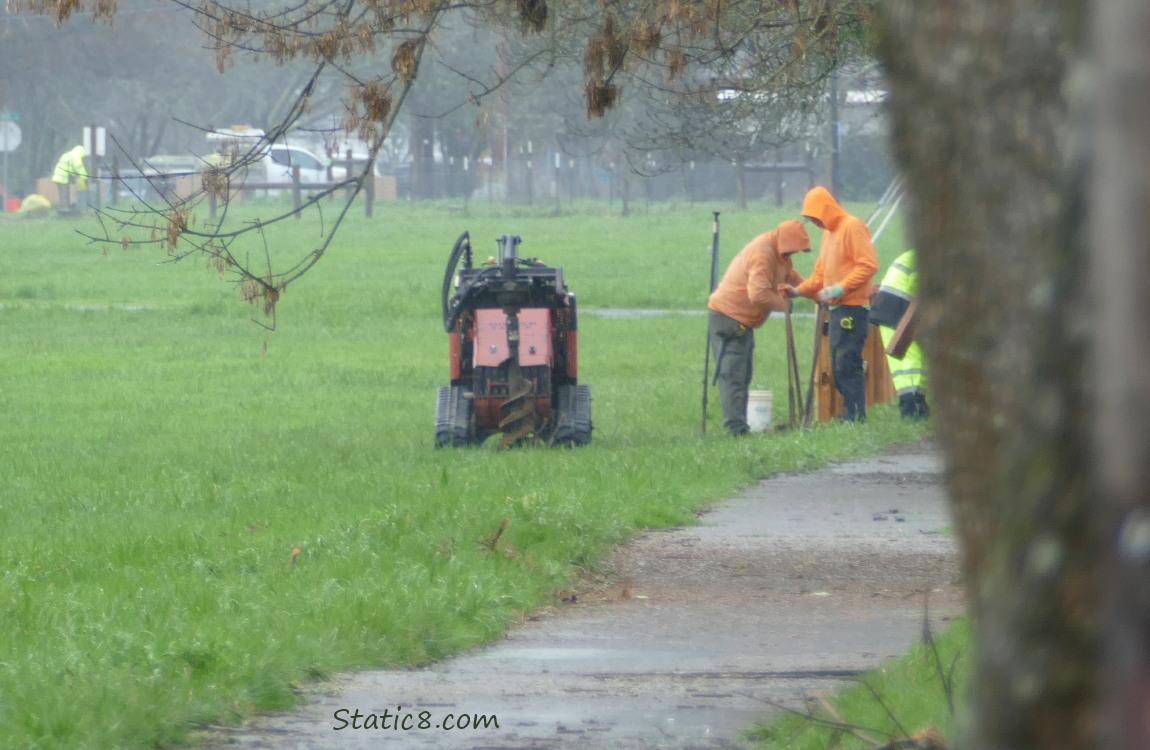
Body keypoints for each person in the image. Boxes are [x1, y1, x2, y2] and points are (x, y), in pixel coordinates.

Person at [779, 185, 879, 422]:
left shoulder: (852, 227)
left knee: (848, 362)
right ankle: (851, 413)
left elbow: (868, 265)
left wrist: (840, 288)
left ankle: (855, 416)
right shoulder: (828, 235)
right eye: (812, 220)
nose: (816, 224)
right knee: (838, 364)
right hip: (836, 309)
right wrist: (797, 291)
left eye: (816, 217)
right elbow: (819, 276)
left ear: (826, 209)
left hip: (853, 308)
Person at [707, 218, 811, 435]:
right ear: (784, 244)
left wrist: (816, 292)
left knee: (744, 375)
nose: (793, 256)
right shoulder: (763, 254)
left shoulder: (780, 255)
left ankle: (740, 426)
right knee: (733, 376)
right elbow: (758, 295)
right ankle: (735, 430)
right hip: (728, 318)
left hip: (743, 321)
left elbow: (792, 278)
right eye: (792, 251)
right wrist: (783, 304)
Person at [871, 249, 929, 419]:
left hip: (893, 307)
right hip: (899, 309)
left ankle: (914, 403)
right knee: (912, 359)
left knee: (910, 360)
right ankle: (912, 406)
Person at [51, 144, 88, 212]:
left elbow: (69, 168)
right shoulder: (76, 157)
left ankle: (64, 207)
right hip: (62, 177)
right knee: (64, 193)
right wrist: (85, 177)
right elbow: (79, 168)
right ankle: (64, 209)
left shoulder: (67, 154)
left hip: (57, 176)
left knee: (62, 193)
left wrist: (73, 176)